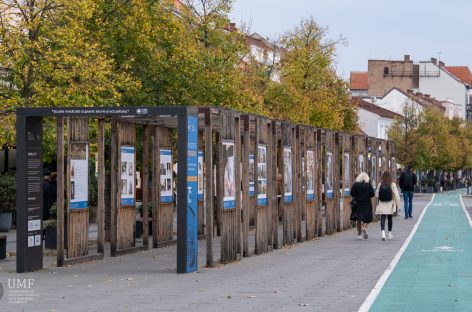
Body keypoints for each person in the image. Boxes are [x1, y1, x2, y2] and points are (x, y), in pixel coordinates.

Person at [375, 171, 401, 240]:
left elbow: (376, 194)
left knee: (382, 218)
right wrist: (399, 206)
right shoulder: (392, 184)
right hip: (390, 203)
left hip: (382, 203)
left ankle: (383, 234)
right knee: (390, 218)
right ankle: (389, 234)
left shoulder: (380, 184)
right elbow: (397, 196)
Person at [350, 172, 375, 240]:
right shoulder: (368, 185)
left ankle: (359, 234)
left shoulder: (355, 184)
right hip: (367, 204)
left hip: (358, 204)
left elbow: (352, 193)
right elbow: (372, 194)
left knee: (358, 219)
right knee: (368, 218)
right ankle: (364, 227)